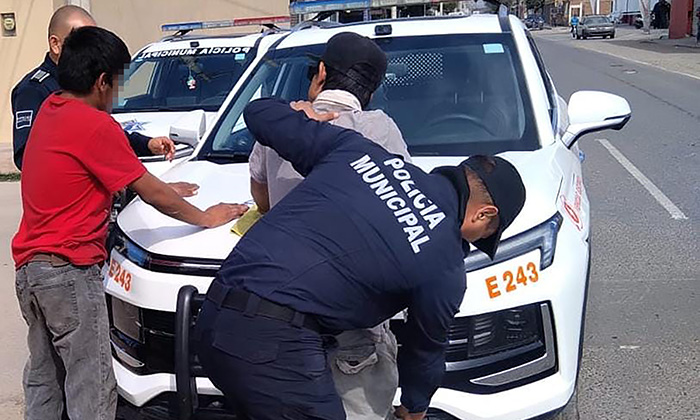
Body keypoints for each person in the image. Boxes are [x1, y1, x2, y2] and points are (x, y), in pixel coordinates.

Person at [194, 97, 527, 420]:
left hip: (211, 317)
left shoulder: (359, 152)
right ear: (485, 214)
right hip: (276, 348)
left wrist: (299, 111)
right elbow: (425, 348)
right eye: (485, 235)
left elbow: (258, 113)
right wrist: (415, 406)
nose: (476, 241)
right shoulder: (445, 262)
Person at [12, 26, 247, 420]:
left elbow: (115, 178)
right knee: (93, 379)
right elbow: (152, 193)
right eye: (118, 83)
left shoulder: (52, 109)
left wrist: (162, 186)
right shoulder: (93, 125)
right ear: (103, 81)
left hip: (32, 271)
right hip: (68, 272)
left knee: (45, 375)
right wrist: (206, 216)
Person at [247, 32, 409, 420]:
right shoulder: (381, 130)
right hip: (352, 314)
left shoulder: (280, 126)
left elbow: (264, 200)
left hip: (278, 310)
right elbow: (400, 212)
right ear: (372, 90)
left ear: (320, 72)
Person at [10, 5, 176, 171]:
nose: (93, 46)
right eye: (83, 39)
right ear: (55, 44)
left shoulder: (91, 80)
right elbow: (26, 156)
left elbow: (103, 134)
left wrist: (146, 144)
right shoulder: (33, 90)